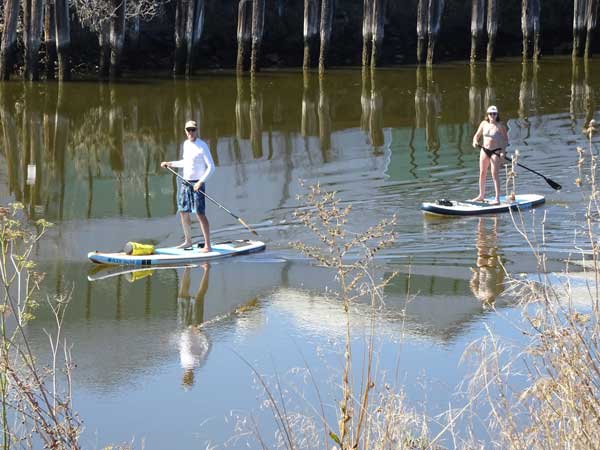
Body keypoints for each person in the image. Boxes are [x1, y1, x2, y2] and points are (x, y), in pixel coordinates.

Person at [161, 120, 215, 251]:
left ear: (196, 130)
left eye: (193, 130)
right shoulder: (185, 144)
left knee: (200, 214)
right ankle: (188, 241)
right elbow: (185, 162)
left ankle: (208, 245)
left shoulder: (202, 146)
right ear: (185, 131)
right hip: (185, 183)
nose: (191, 132)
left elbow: (212, 167)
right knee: (183, 211)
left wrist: (200, 182)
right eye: (188, 130)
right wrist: (170, 163)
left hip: (198, 184)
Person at [471, 105, 509, 205]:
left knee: (494, 174)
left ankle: (497, 198)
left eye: (494, 114)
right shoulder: (483, 124)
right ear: (487, 115)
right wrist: (475, 141)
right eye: (490, 114)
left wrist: (503, 152)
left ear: (497, 115)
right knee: (482, 172)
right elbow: (477, 135)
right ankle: (481, 195)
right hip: (484, 150)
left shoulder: (500, 126)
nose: (492, 115)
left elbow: (505, 140)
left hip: (495, 152)